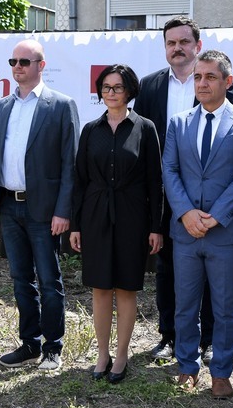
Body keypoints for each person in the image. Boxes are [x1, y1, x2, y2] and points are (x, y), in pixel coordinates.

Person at [133, 16, 233, 364]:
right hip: (165, 193)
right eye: (170, 43)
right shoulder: (149, 86)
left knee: (210, 271)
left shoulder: (216, 82)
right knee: (166, 266)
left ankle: (208, 339)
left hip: (210, 197)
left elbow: (232, 138)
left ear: (198, 45)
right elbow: (141, 140)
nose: (177, 48)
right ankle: (170, 336)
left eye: (183, 42)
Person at [162, 50, 233, 399]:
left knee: (225, 306)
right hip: (186, 231)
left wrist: (216, 215)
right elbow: (170, 170)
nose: (202, 83)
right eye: (198, 77)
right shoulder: (178, 123)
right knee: (185, 304)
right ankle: (187, 366)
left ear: (228, 81)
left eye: (210, 77)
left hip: (226, 232)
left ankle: (221, 373)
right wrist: (186, 213)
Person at [0, 39, 80, 372]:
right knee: (21, 280)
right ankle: (29, 345)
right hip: (9, 206)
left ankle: (53, 347)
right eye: (14, 62)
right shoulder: (2, 107)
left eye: (24, 61)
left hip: (44, 211)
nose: (18, 67)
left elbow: (70, 165)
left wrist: (63, 210)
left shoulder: (61, 105)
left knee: (49, 281)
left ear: (41, 65)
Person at [69, 64, 163, 384]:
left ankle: (121, 355)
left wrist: (155, 226)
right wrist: (76, 225)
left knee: (125, 287)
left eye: (118, 87)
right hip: (95, 214)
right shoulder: (90, 130)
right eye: (106, 87)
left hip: (132, 216)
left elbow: (155, 182)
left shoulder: (145, 128)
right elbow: (80, 180)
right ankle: (102, 353)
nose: (111, 93)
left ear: (130, 91)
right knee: (99, 287)